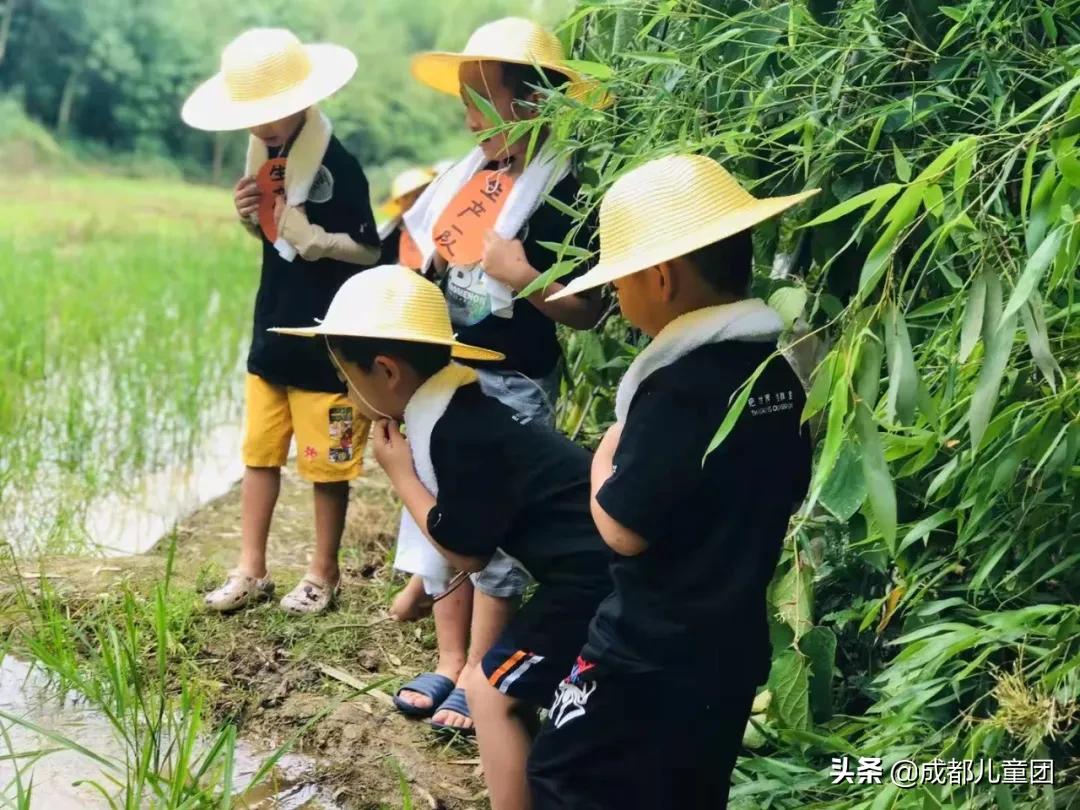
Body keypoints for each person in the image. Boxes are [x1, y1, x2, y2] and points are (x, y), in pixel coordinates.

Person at [527, 154, 818, 809]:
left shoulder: (679, 388)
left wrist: (604, 460)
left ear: (660, 278)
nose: (615, 296)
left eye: (620, 281)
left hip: (645, 649)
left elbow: (624, 530)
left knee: (564, 774)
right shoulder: (775, 373)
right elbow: (789, 483)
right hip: (730, 649)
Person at [271, 265, 612, 810]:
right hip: (589, 570)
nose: (345, 391)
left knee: (489, 691)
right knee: (509, 686)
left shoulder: (456, 432)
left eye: (345, 377)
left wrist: (399, 473)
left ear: (385, 371)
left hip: (593, 577)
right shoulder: (459, 409)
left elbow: (467, 549)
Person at [386, 17, 608, 732]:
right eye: (464, 101)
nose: (469, 116)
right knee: (436, 503)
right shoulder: (462, 181)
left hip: (512, 378)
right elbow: (416, 252)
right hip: (443, 369)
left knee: (496, 522)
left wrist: (528, 277)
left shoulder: (562, 188)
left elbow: (591, 309)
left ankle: (483, 668)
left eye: (484, 99)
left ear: (536, 103)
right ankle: (450, 660)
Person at [182, 28, 380, 615]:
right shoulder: (264, 158)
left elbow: (372, 250)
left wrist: (317, 240)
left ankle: (323, 573)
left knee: (326, 464)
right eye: (253, 113)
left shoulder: (339, 167)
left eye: (273, 110)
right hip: (270, 328)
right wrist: (252, 218)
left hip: (326, 338)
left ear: (302, 99)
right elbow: (274, 241)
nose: (263, 123)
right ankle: (251, 568)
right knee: (258, 453)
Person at [378, 167, 436, 269]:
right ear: (398, 202)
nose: (413, 201)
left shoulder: (446, 221)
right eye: (406, 197)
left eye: (419, 195)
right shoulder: (387, 237)